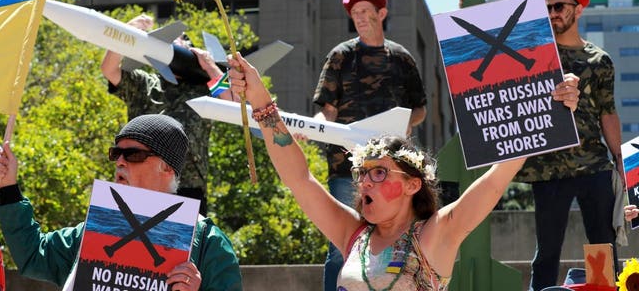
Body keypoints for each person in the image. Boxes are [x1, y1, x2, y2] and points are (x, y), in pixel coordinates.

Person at [226, 52, 579, 290]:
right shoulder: (353, 236)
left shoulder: (435, 236)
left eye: (379, 173)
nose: (364, 181)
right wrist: (259, 98)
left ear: (412, 185)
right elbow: (299, 179)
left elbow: (495, 180)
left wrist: (550, 108)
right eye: (362, 173)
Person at [0, 114, 242, 291]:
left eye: (134, 155)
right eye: (116, 154)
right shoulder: (95, 229)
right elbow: (34, 255)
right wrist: (7, 187)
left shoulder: (210, 243)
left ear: (166, 167)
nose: (120, 162)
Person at [312, 0, 427, 290]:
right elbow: (328, 110)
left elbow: (421, 110)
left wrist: (404, 126)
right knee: (341, 244)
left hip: (393, 169)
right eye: (355, 14)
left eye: (365, 12)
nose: (360, 18)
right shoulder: (340, 56)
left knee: (399, 240)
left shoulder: (402, 59)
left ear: (382, 13)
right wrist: (312, 126)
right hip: (345, 167)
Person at [513, 0, 624, 290]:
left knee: (603, 245)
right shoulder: (531, 58)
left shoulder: (600, 61)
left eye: (558, 6)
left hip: (594, 165)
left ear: (578, 11)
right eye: (546, 8)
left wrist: (619, 162)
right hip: (548, 167)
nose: (552, 13)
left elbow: (608, 112)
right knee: (547, 252)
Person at [101, 14, 234, 216]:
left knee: (174, 248)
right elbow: (109, 69)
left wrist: (210, 67)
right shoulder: (144, 84)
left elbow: (232, 102)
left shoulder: (204, 89)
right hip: (137, 183)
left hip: (186, 189)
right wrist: (126, 31)